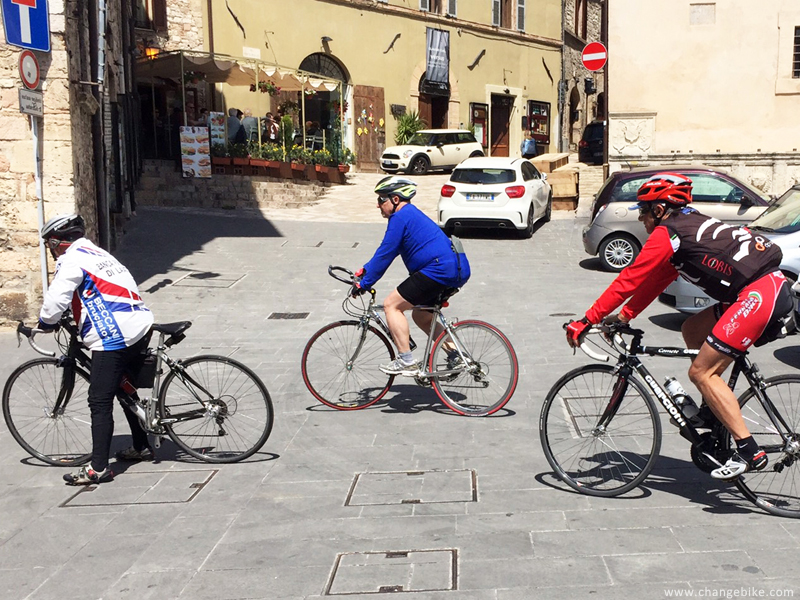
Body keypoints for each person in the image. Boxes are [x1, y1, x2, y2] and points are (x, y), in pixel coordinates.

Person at [565, 173, 791, 480]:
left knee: (701, 372)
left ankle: (750, 450)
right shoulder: (689, 225)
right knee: (692, 330)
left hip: (758, 295)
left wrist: (586, 319)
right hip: (762, 291)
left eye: (644, 211)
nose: (642, 218)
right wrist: (623, 317)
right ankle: (712, 414)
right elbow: (655, 280)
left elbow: (630, 277)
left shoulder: (668, 232)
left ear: (659, 210)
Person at [37, 214, 156, 485]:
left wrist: (45, 323)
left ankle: (99, 468)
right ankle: (141, 445)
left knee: (99, 399)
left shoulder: (70, 260)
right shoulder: (95, 251)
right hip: (139, 324)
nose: (51, 251)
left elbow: (57, 299)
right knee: (123, 386)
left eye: (49, 245)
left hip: (114, 334)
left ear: (58, 242)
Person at [352, 176, 471, 375]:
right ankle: (457, 356)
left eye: (382, 199)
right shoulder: (408, 215)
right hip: (453, 269)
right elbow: (386, 253)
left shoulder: (400, 217)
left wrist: (365, 283)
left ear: (395, 200)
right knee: (421, 315)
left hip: (438, 270)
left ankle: (406, 360)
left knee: (392, 305)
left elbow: (386, 253)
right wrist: (365, 272)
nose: (378, 205)